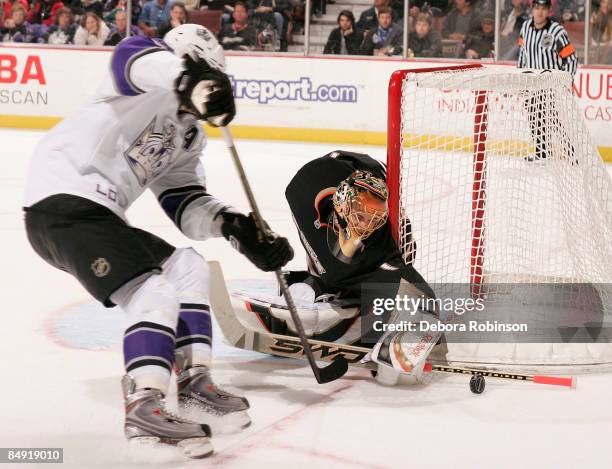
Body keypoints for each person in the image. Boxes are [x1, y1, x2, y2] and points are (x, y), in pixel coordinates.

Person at [23, 24, 293, 457]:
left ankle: (193, 383)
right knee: (153, 291)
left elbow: (184, 203)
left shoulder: (188, 135)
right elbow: (133, 58)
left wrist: (235, 227)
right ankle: (144, 405)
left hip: (97, 215)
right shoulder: (141, 72)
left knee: (186, 268)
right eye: (204, 77)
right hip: (61, 202)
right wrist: (189, 80)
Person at [282, 151, 438, 386]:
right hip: (322, 178)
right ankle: (313, 287)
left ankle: (344, 290)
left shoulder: (387, 221)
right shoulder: (310, 194)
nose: (367, 225)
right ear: (343, 206)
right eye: (362, 216)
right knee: (331, 267)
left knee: (406, 264)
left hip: (366, 181)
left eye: (374, 219)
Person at [518, 0, 578, 161]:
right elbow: (522, 54)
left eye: (544, 9)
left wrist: (566, 81)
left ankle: (572, 153)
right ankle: (541, 152)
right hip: (531, 83)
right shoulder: (525, 27)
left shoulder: (556, 31)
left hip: (550, 84)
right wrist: (520, 78)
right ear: (532, 9)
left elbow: (571, 58)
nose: (540, 12)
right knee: (534, 117)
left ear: (549, 11)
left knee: (553, 120)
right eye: (537, 8)